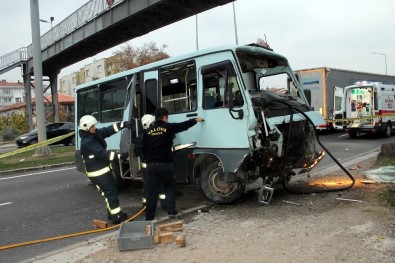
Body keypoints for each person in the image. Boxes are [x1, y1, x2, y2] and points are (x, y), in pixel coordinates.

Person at [143, 108, 204, 220]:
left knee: (152, 192)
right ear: (165, 117)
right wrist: (195, 120)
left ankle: (149, 217)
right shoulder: (168, 127)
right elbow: (182, 126)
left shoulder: (147, 132)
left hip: (151, 166)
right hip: (166, 164)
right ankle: (171, 212)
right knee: (169, 188)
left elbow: (142, 149)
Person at [79, 115, 131, 224]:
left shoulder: (94, 134)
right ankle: (117, 217)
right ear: (86, 127)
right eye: (92, 126)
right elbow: (103, 153)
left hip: (104, 170)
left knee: (112, 191)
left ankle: (114, 213)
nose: (95, 127)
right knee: (110, 193)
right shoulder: (87, 142)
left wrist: (122, 125)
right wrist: (120, 156)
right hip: (97, 174)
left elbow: (108, 130)